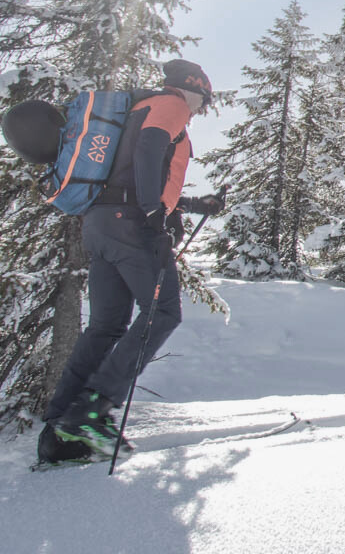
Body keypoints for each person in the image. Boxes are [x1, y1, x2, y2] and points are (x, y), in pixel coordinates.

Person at [39, 59, 225, 463]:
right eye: (204, 102)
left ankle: (59, 431)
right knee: (164, 311)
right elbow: (148, 150)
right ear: (193, 89)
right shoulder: (171, 104)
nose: (200, 110)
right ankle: (94, 410)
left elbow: (135, 169)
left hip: (101, 224)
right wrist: (153, 213)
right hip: (131, 225)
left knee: (106, 326)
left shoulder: (137, 108)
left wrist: (193, 204)